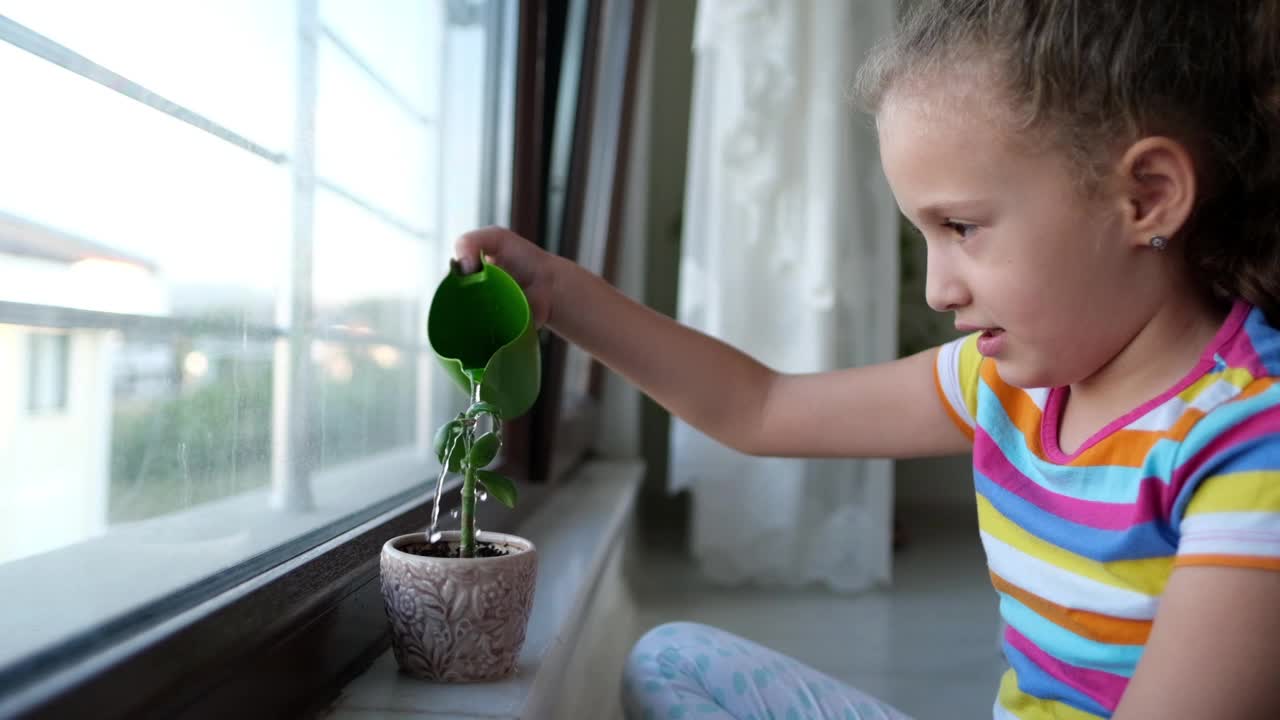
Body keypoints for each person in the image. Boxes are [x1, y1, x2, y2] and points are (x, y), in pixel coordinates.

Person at [453, 0, 1280, 717]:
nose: (937, 290)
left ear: (1146, 198)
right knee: (671, 664)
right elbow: (760, 408)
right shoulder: (1007, 384)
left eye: (961, 227)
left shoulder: (1250, 442)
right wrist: (563, 295)